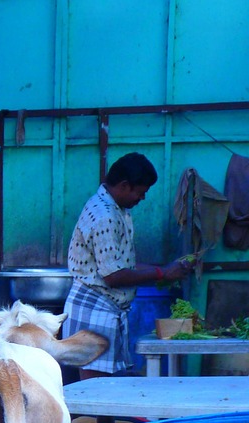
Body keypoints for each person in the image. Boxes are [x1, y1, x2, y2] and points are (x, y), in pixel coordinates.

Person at [62, 152, 192, 378]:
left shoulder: (113, 208)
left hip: (104, 308)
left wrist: (167, 269)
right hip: (94, 308)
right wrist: (162, 273)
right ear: (124, 186)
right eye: (141, 192)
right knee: (95, 394)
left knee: (103, 392)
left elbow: (122, 264)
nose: (142, 198)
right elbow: (113, 276)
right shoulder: (105, 215)